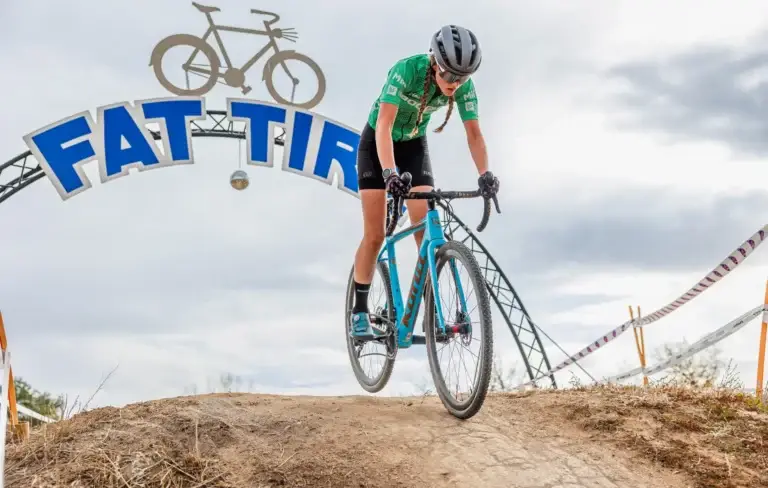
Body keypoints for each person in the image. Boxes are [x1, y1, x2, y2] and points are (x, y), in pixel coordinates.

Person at [350, 24, 500, 340]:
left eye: (463, 78)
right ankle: (359, 311)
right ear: (434, 62)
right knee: (375, 235)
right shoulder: (407, 71)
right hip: (378, 145)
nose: (454, 83)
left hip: (414, 146)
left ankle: (434, 309)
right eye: (449, 76)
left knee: (428, 229)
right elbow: (384, 126)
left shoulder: (462, 87)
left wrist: (485, 174)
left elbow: (474, 134)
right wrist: (389, 174)